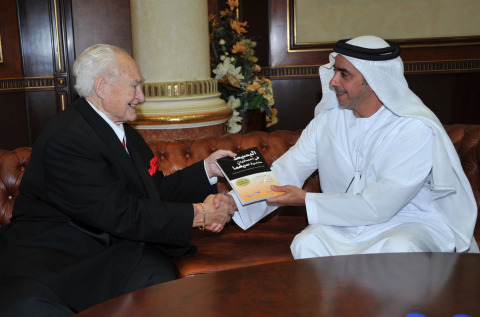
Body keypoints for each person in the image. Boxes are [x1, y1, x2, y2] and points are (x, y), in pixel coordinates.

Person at [0, 44, 236, 316]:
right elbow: (118, 212)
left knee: (158, 277)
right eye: (134, 86)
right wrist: (199, 214)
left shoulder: (124, 132)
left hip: (106, 244)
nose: (142, 96)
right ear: (102, 87)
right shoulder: (67, 139)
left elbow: (153, 191)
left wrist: (207, 168)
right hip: (60, 254)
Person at [229, 35, 478, 259]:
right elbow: (284, 171)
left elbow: (379, 206)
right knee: (307, 242)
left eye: (344, 74)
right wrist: (231, 201)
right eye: (335, 72)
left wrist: (306, 199)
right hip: (342, 222)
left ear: (374, 81)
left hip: (406, 222)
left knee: (399, 248)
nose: (333, 81)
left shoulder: (413, 129)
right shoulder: (327, 122)